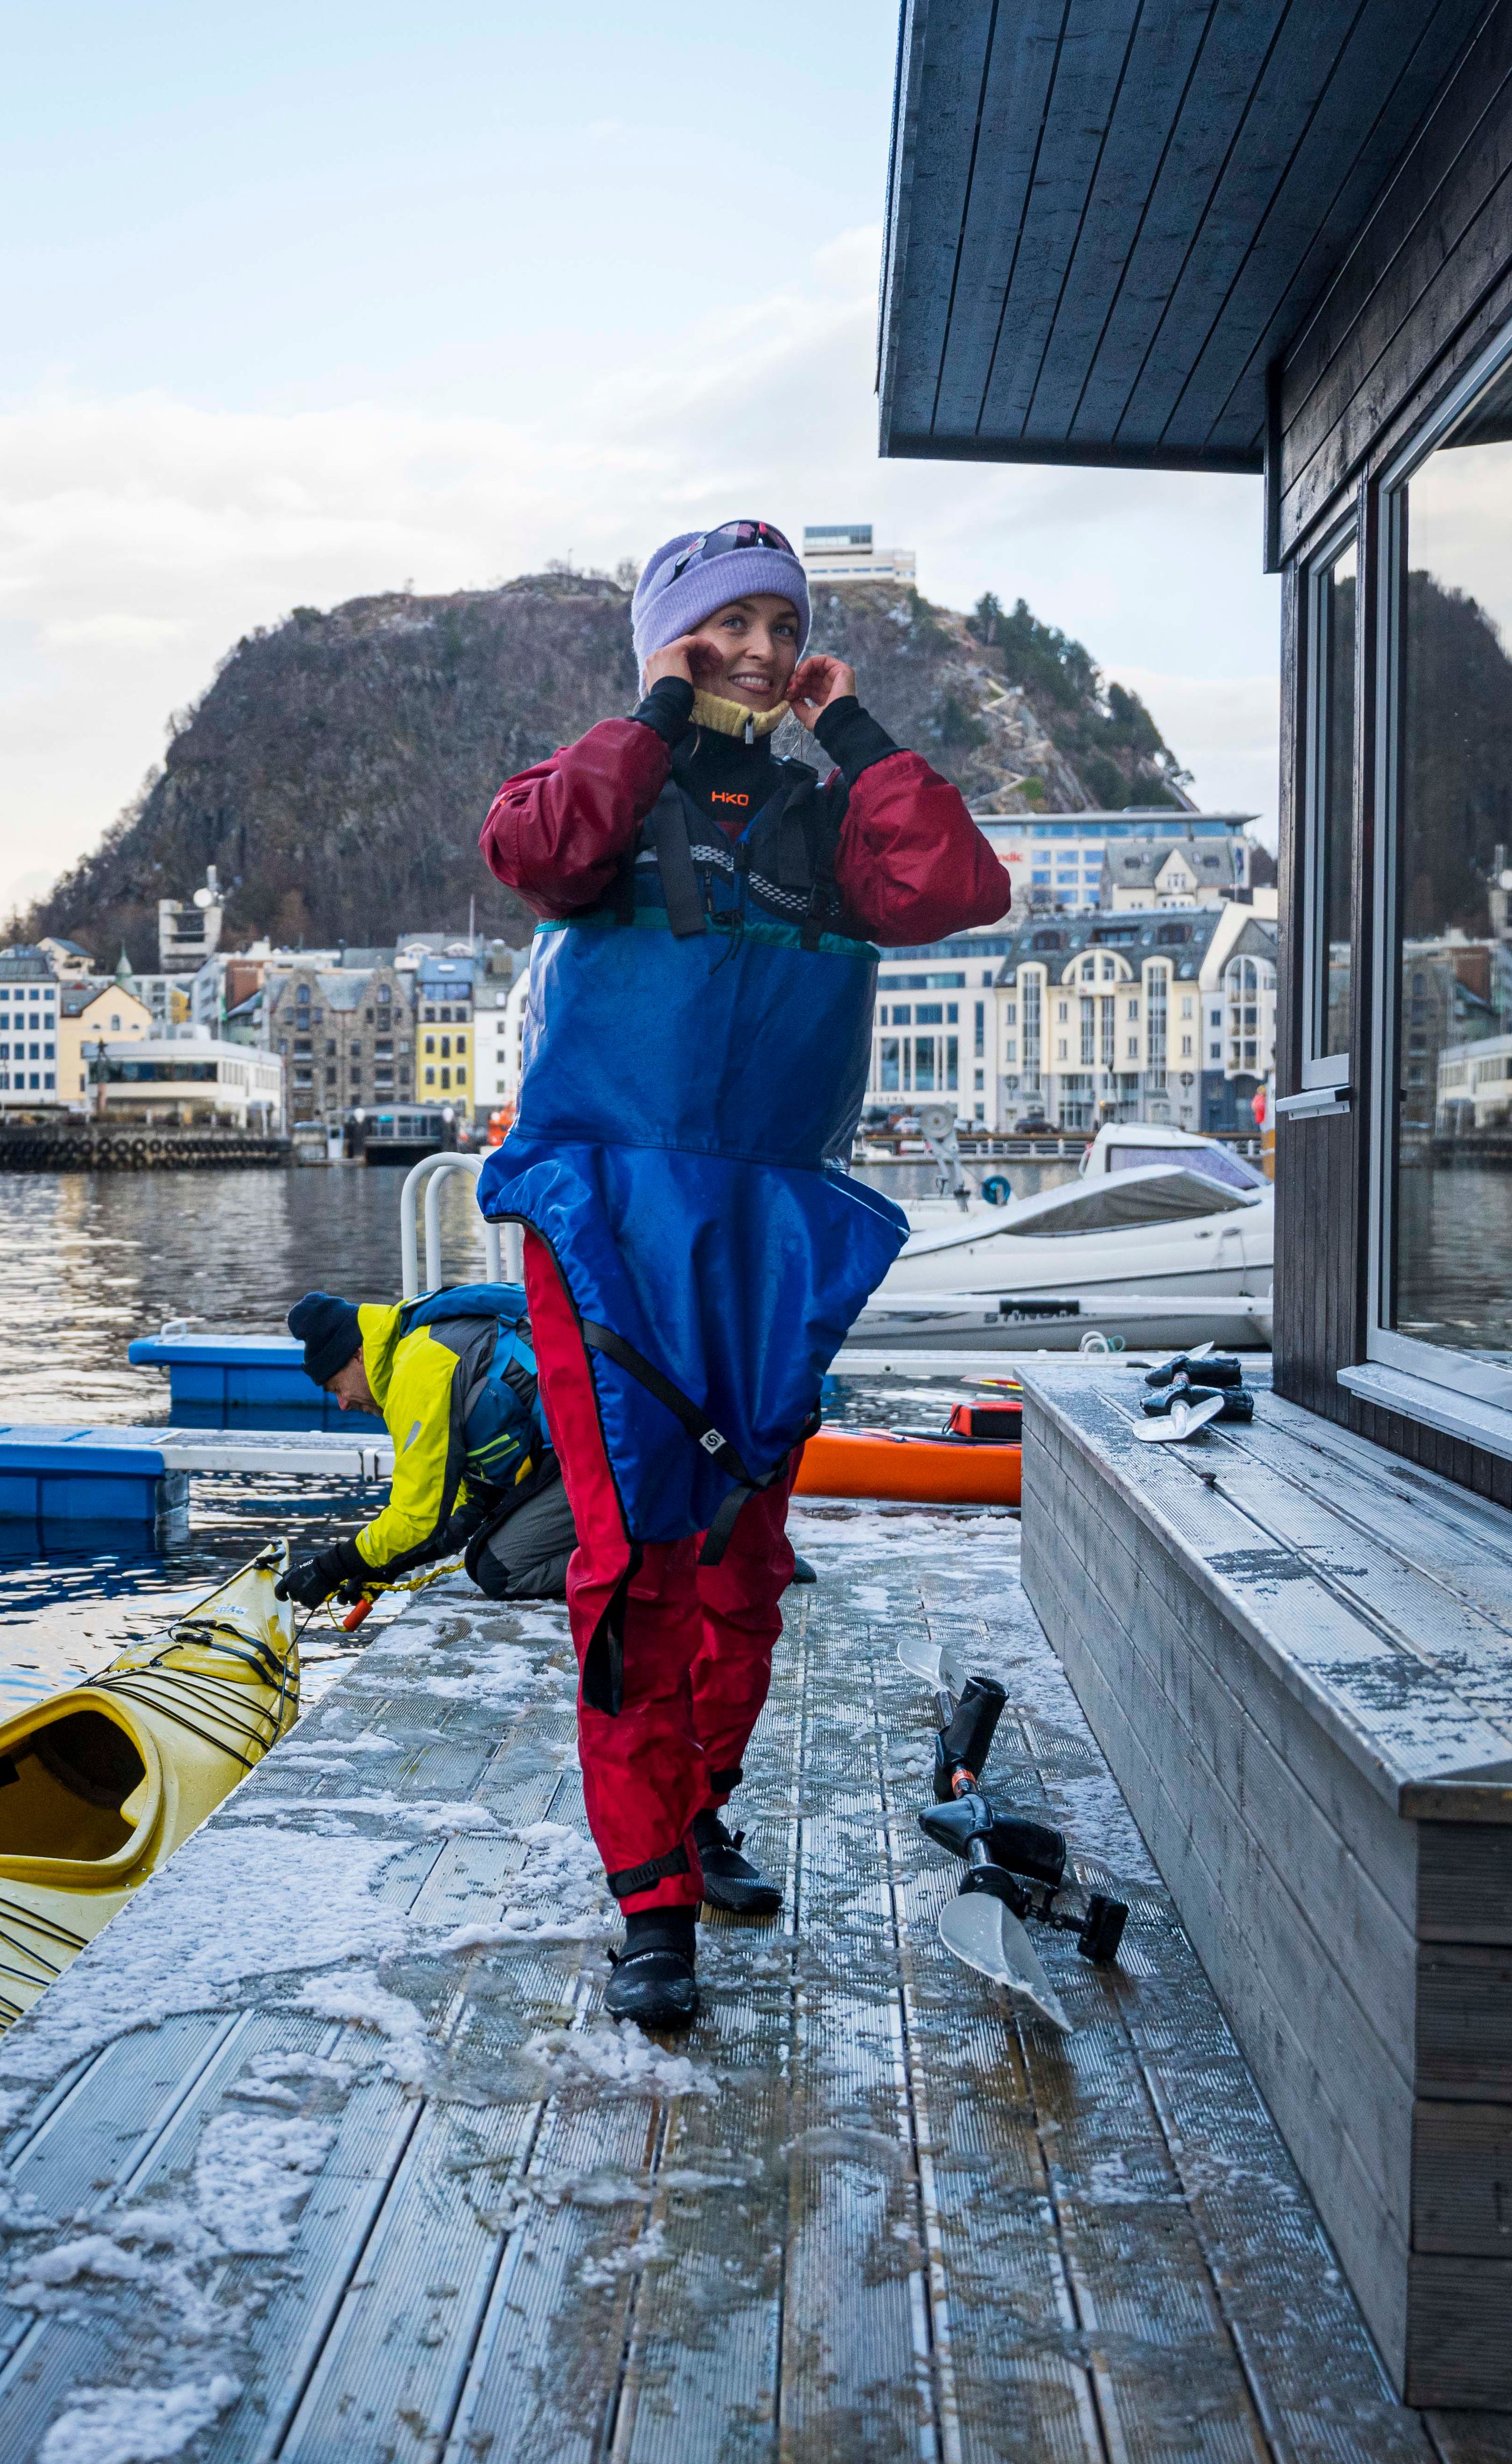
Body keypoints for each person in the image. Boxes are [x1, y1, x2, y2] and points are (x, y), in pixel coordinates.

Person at [475, 521, 1010, 2029]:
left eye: (785, 623)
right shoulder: (604, 788)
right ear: (671, 636)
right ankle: (650, 1897)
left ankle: (693, 1805)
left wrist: (847, 724)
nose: (764, 647)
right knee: (634, 1563)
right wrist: (654, 710)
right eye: (732, 622)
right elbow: (533, 851)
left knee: (745, 1566)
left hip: (771, 1232)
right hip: (606, 1223)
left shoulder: (823, 815)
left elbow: (956, 883)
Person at [272, 1283, 576, 1611]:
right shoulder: (420, 1341)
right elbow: (463, 1509)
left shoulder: (418, 1368)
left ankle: (633, 1557)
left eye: (337, 1388)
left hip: (599, 1440)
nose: (343, 1404)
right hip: (585, 1434)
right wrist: (384, 1566)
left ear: (357, 1354)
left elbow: (418, 1516)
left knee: (502, 1571)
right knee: (486, 1556)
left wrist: (329, 1567)